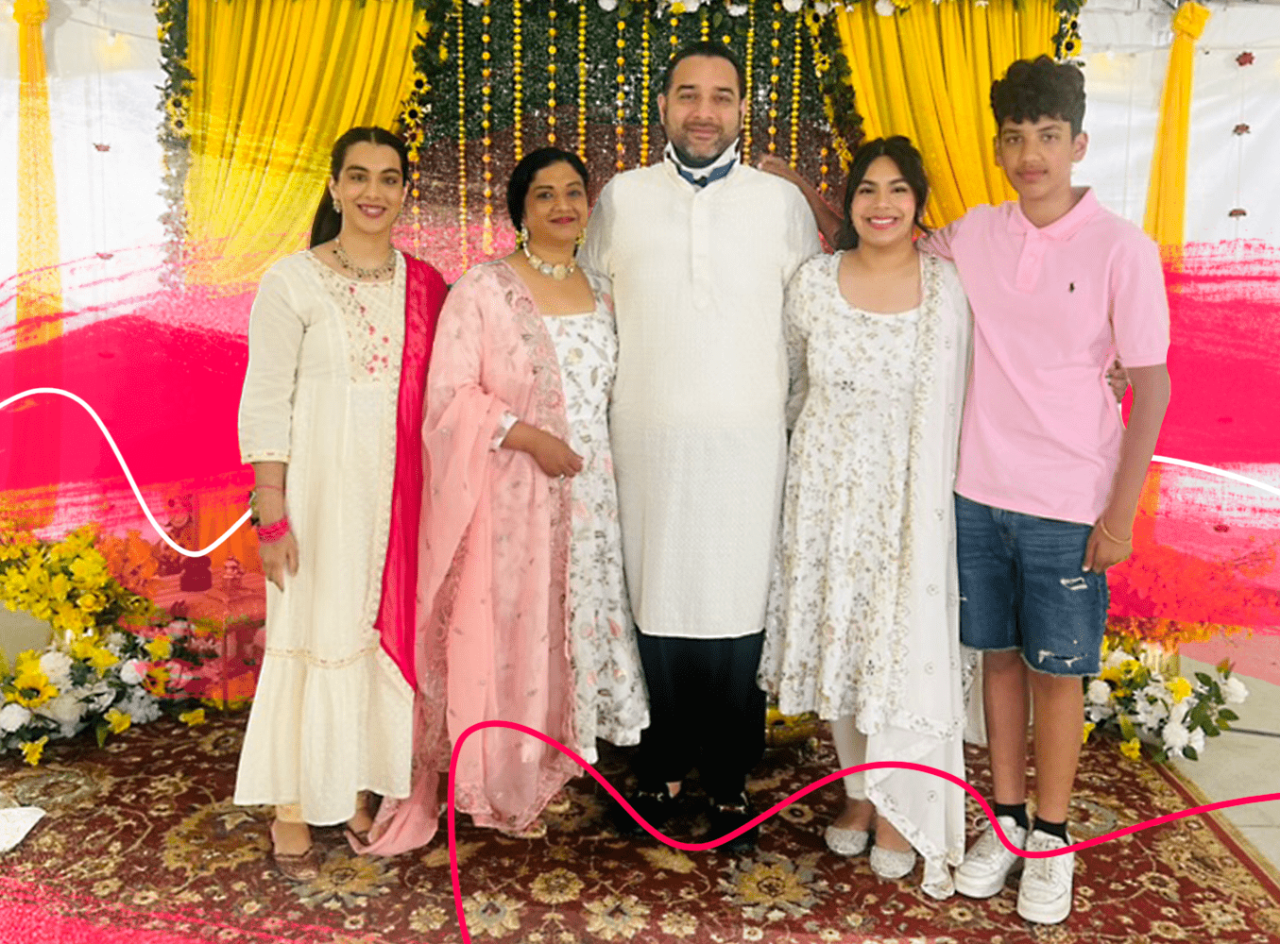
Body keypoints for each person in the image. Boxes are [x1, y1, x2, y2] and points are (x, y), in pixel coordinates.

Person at [924, 56, 1171, 924]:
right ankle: (1009, 821)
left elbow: (1152, 383)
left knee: (1055, 673)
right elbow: (892, 244)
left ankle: (1054, 840)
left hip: (1070, 501)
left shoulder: (1121, 247)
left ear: (1078, 143)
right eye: (1016, 137)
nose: (1031, 153)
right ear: (998, 147)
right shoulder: (975, 232)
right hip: (977, 489)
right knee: (994, 661)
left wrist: (1120, 510)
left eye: (1048, 137)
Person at [361, 147, 649, 854]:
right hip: (513, 493)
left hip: (593, 495)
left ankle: (566, 753)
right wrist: (525, 436)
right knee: (516, 620)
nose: (561, 206)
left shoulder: (604, 289)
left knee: (574, 614)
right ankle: (506, 767)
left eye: (574, 193)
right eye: (543, 194)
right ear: (519, 209)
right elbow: (449, 398)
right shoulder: (485, 289)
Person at [580, 40, 821, 853]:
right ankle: (657, 762)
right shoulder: (620, 198)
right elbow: (587, 307)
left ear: (742, 108)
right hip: (644, 439)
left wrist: (790, 419)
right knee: (652, 598)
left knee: (736, 607)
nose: (704, 111)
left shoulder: (780, 203)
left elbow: (808, 322)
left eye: (721, 96)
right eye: (688, 94)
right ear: (662, 107)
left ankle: (727, 773)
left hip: (750, 444)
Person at [234, 126, 448, 880]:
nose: (372, 193)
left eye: (388, 179)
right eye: (357, 177)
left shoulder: (423, 287)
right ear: (333, 187)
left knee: (369, 635)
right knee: (310, 630)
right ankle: (293, 802)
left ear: (403, 192)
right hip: (317, 495)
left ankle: (351, 787)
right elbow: (265, 400)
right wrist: (272, 510)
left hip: (395, 497)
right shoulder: (291, 281)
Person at [760, 136, 971, 899]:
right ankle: (856, 788)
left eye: (897, 191)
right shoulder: (814, 281)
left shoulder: (948, 286)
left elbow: (986, 374)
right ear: (847, 203)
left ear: (918, 204)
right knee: (842, 639)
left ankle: (897, 805)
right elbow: (785, 379)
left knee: (895, 640)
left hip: (911, 495)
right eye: (867, 191)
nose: (881, 204)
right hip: (825, 490)